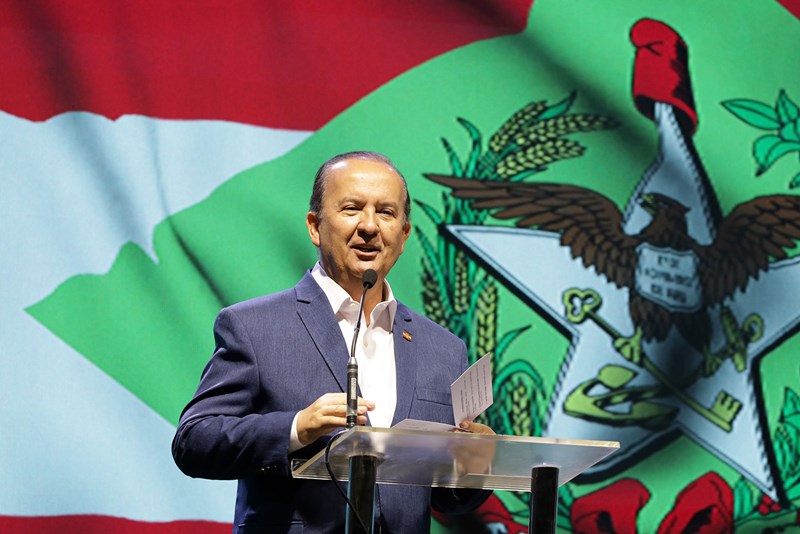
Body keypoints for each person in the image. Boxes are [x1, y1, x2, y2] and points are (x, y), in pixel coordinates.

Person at [172, 151, 493, 533]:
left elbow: (444, 498)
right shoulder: (253, 326)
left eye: (386, 212)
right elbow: (194, 441)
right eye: (352, 208)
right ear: (315, 227)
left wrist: (475, 463)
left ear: (404, 235)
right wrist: (296, 428)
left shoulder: (443, 349)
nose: (369, 226)